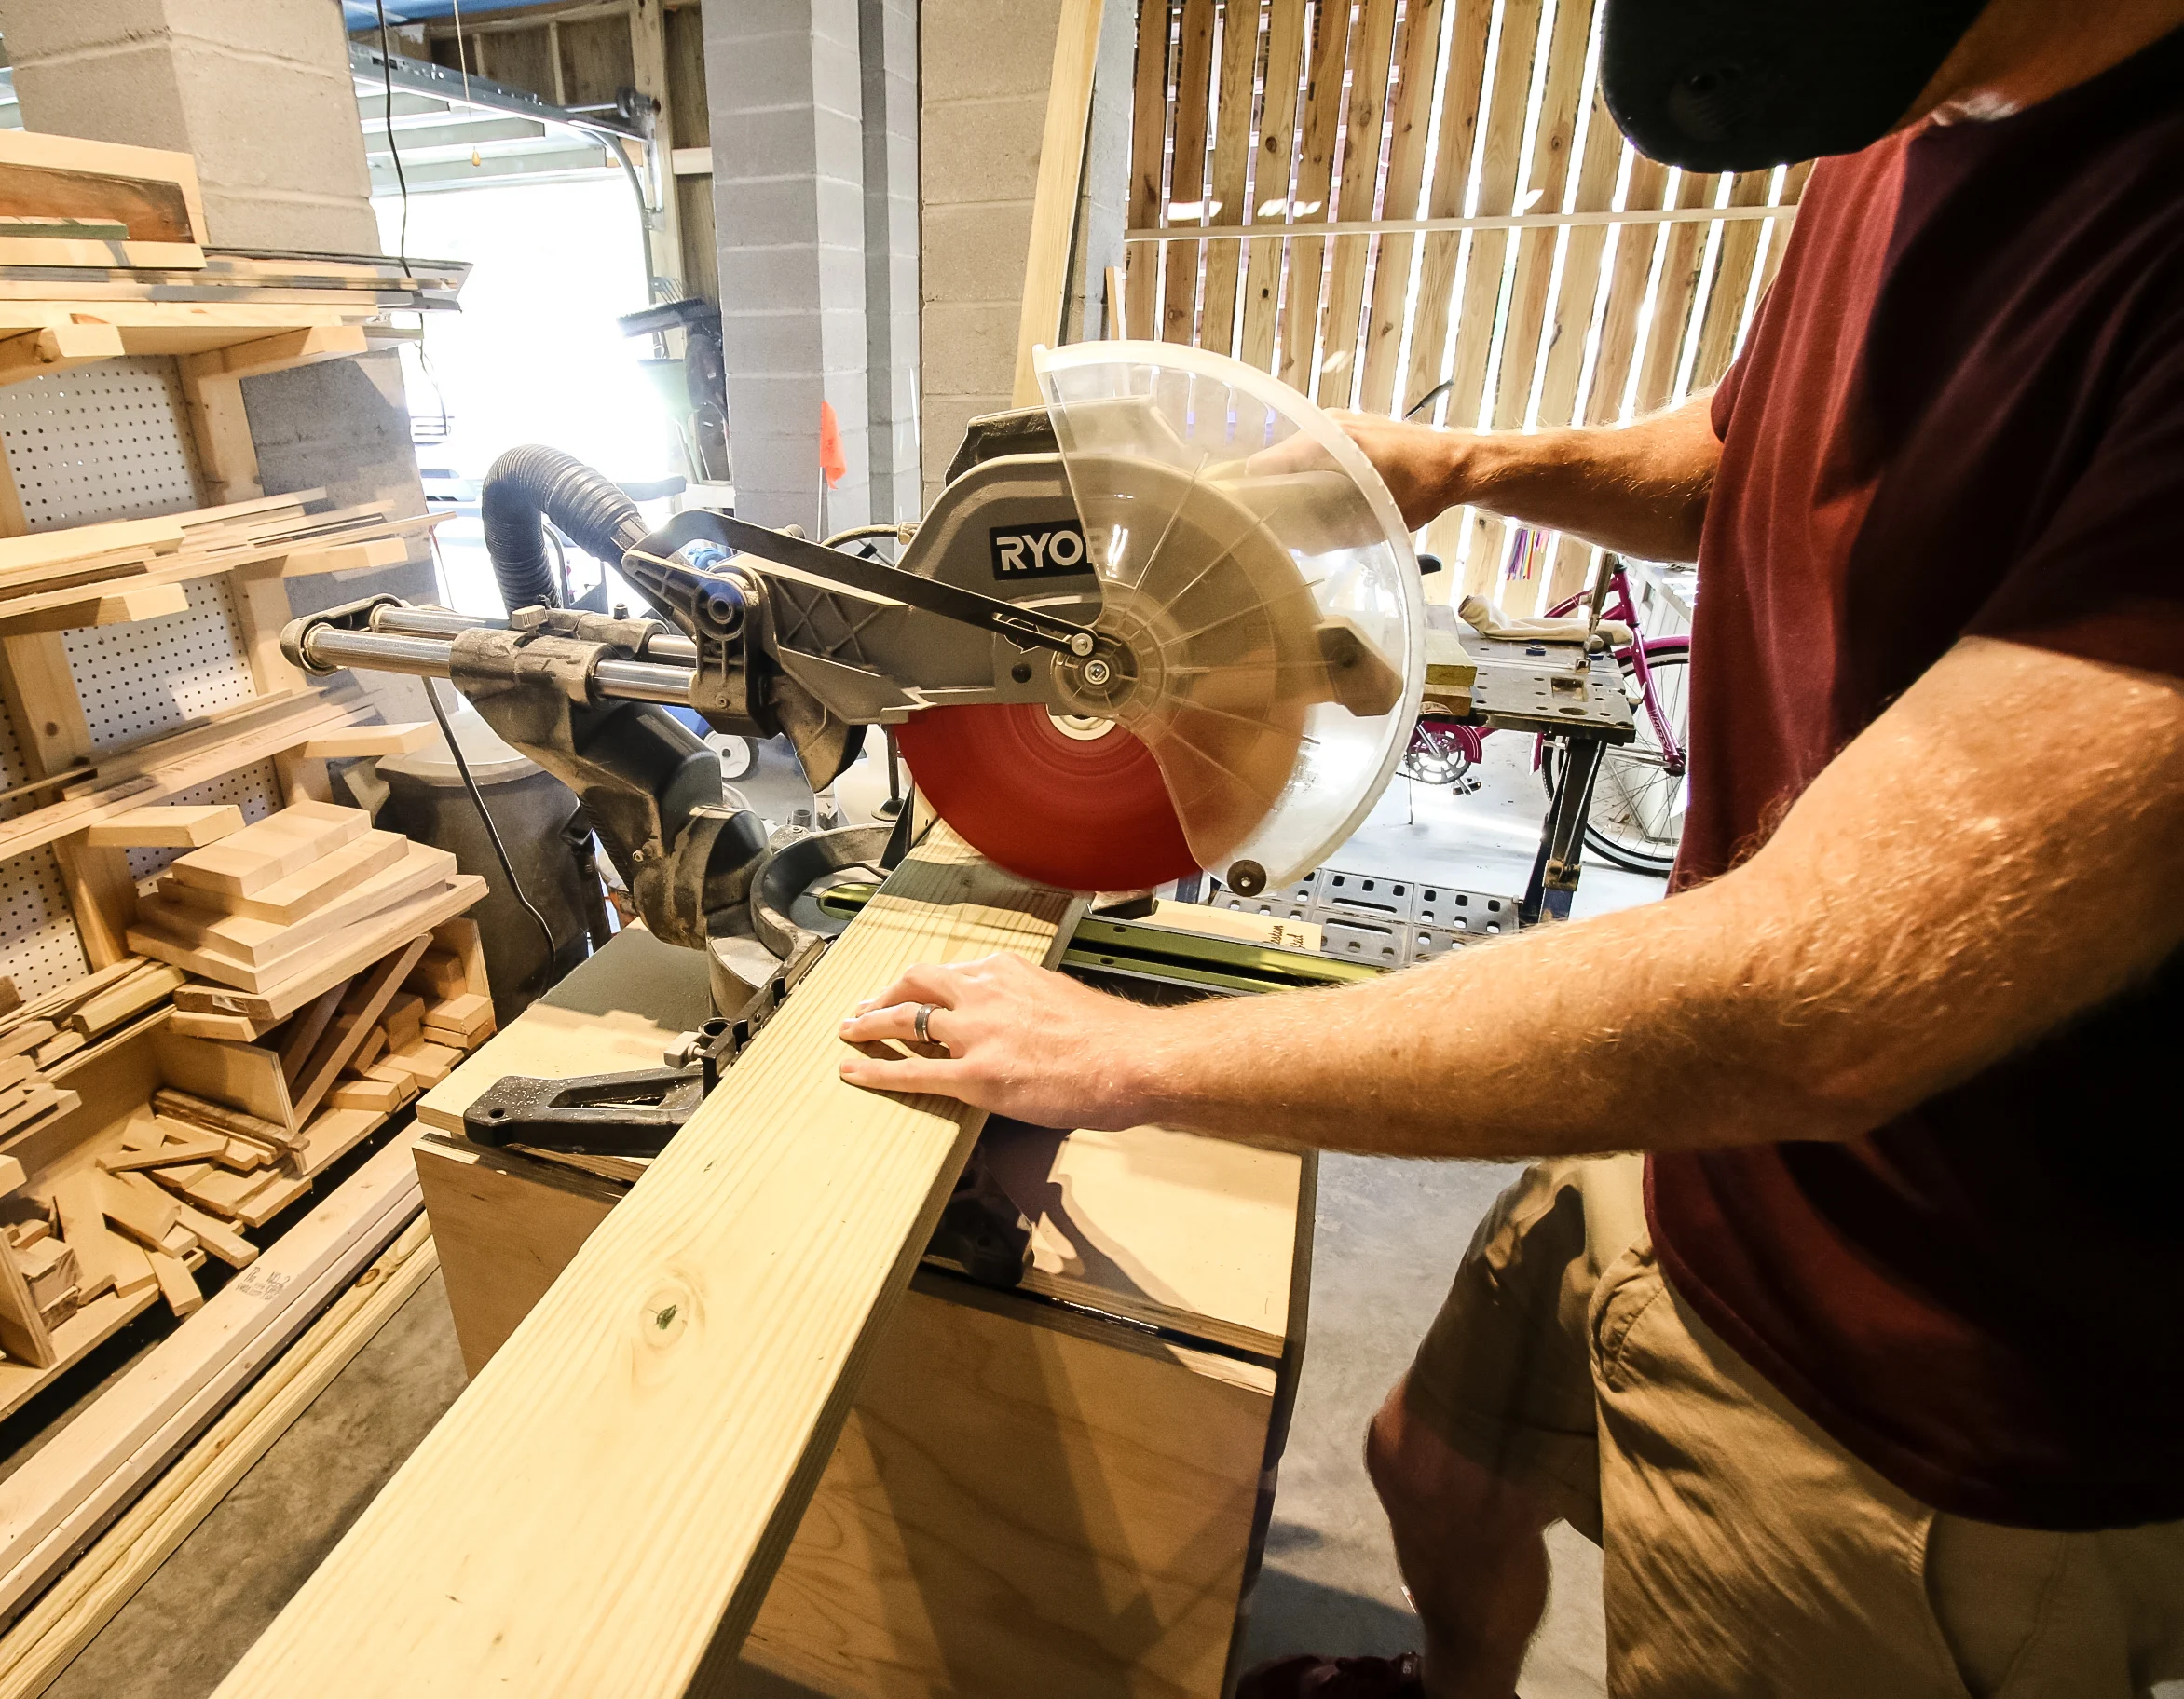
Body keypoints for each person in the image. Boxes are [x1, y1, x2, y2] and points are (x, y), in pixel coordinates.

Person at [834, 0, 2184, 1693]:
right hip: (1712, 1157)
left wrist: (1129, 1061)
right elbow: (1748, 445)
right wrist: (1471, 464)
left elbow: (1821, 1007)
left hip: (1939, 1369)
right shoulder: (1916, 102)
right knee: (1435, 1467)